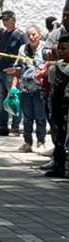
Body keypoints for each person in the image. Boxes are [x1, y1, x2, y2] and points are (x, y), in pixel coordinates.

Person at [0, 10, 28, 137]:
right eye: (3, 20)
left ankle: (15, 127)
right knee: (1, 100)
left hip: (11, 73)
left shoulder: (20, 35)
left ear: (13, 19)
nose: (4, 22)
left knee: (14, 99)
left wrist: (17, 68)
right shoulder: (3, 34)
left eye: (7, 19)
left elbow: (25, 54)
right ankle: (2, 125)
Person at [16, 26, 50, 153]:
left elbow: (49, 66)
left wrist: (42, 73)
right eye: (29, 35)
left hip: (39, 89)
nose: (31, 37)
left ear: (39, 35)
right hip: (25, 89)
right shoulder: (22, 49)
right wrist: (14, 88)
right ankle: (27, 142)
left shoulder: (45, 49)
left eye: (34, 34)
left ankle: (41, 141)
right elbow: (18, 68)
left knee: (40, 117)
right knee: (27, 117)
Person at [44, 36, 69, 178]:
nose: (61, 52)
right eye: (59, 48)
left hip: (67, 107)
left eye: (64, 49)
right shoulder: (56, 65)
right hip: (56, 104)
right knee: (57, 136)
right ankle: (58, 165)